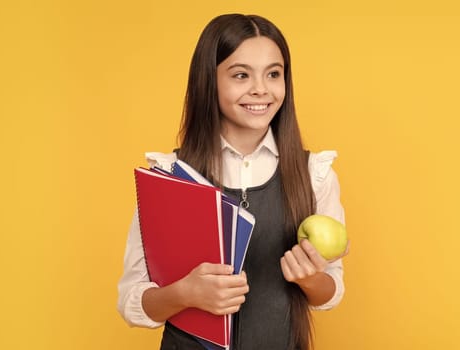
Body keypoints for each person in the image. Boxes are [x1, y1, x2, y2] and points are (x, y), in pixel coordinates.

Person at [117, 14, 348, 350]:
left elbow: (330, 293)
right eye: (241, 75)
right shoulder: (170, 175)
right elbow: (132, 302)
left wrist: (310, 277)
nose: (261, 89)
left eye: (273, 74)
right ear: (208, 82)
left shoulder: (314, 174)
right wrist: (185, 294)